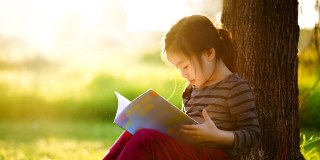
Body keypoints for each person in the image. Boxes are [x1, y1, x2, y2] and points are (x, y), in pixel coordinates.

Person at [102, 14, 260, 160]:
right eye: (178, 68)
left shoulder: (235, 88)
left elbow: (253, 134)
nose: (183, 74)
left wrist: (217, 136)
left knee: (145, 138)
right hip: (187, 152)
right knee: (133, 133)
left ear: (209, 54)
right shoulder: (191, 89)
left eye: (185, 66)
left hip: (214, 156)